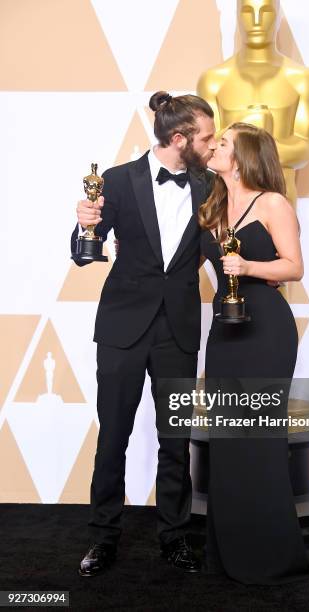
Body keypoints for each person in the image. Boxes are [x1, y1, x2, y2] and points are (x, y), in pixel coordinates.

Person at [71, 90, 217, 576]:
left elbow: (221, 249)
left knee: (174, 439)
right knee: (113, 436)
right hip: (122, 327)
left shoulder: (208, 185)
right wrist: (82, 225)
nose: (212, 145)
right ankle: (103, 538)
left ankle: (174, 538)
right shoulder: (116, 180)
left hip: (176, 328)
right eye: (207, 137)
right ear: (180, 139)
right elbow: (84, 249)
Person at [199, 122, 309, 584]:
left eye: (222, 143)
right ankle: (229, 554)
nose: (214, 146)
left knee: (259, 438)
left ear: (243, 157)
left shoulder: (272, 203)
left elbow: (294, 266)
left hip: (265, 329)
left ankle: (270, 558)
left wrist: (248, 265)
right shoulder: (213, 206)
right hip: (225, 331)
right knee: (226, 439)